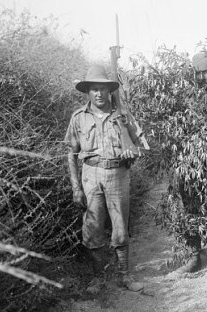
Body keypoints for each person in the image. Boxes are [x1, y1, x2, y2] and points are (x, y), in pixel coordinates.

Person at [64, 64, 145, 293]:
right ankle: (98, 279)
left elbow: (139, 147)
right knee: (92, 229)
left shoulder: (123, 116)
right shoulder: (78, 118)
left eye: (103, 89)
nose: (99, 94)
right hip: (90, 176)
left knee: (120, 228)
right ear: (88, 92)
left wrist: (131, 156)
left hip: (118, 175)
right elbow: (71, 153)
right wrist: (75, 188)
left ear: (109, 91)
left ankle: (124, 276)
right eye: (94, 89)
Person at [171, 51, 207, 274]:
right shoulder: (183, 99)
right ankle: (194, 256)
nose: (204, 77)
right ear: (193, 75)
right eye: (200, 73)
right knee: (191, 209)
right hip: (188, 166)